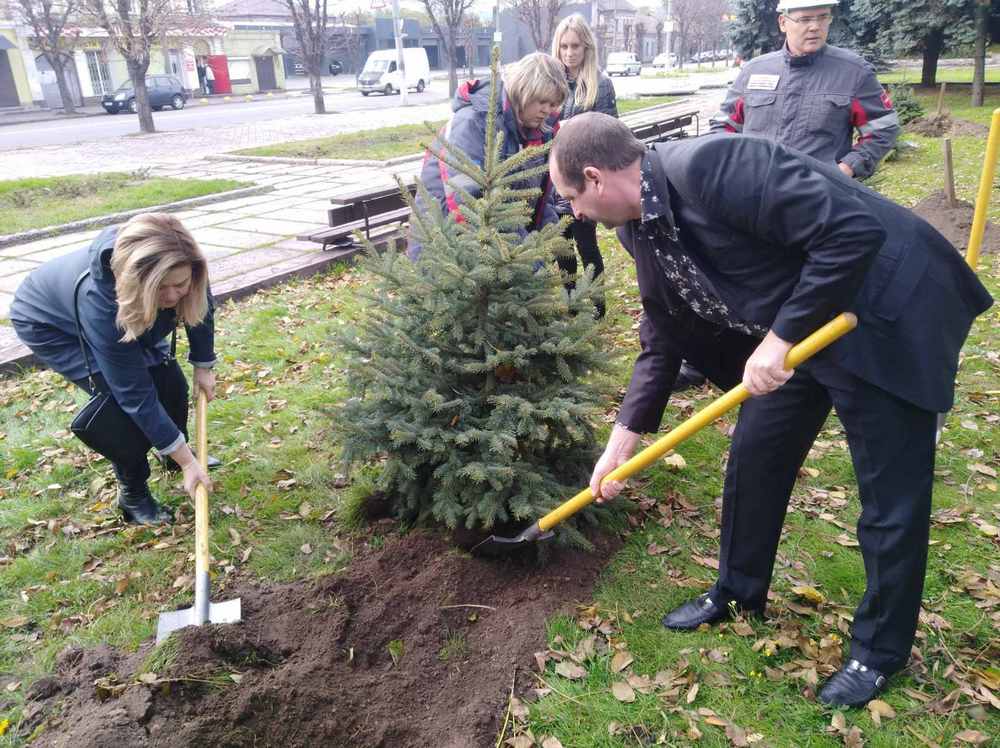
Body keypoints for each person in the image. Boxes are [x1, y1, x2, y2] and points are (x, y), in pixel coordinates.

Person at [549, 112, 992, 708]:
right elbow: (662, 333)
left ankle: (879, 651)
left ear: (595, 178)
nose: (574, 213)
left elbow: (854, 232)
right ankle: (737, 591)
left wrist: (778, 339)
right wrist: (620, 443)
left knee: (890, 494)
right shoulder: (638, 227)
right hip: (804, 327)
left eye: (571, 197)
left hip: (881, 312)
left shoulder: (714, 166)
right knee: (755, 458)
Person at [10, 213, 218, 526]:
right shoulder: (102, 301)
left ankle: (172, 454)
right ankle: (133, 495)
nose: (172, 296)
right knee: (121, 408)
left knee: (171, 382)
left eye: (180, 285)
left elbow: (200, 305)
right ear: (138, 281)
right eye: (161, 288)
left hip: (125, 305)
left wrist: (203, 365)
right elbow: (134, 394)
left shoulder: (182, 260)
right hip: (50, 324)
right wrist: (191, 463)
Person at [711, 0, 899, 181]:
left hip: (820, 194)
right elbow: (723, 126)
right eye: (805, 19)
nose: (815, 27)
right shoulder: (754, 70)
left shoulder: (854, 72)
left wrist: (845, 170)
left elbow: (883, 129)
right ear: (783, 23)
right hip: (754, 190)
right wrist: (733, 169)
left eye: (823, 17)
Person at [407, 52, 568, 260]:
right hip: (448, 249)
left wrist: (549, 239)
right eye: (542, 101)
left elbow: (541, 196)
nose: (547, 110)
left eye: (553, 104)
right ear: (523, 91)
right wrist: (523, 253)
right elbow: (469, 200)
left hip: (504, 251)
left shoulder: (540, 131)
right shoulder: (473, 122)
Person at [551, 14, 618, 318]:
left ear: (586, 47)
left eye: (575, 46)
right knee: (561, 248)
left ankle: (597, 306)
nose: (569, 53)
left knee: (586, 246)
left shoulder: (600, 85)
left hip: (583, 181)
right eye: (564, 46)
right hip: (553, 180)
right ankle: (571, 305)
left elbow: (610, 134)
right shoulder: (553, 82)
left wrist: (575, 130)